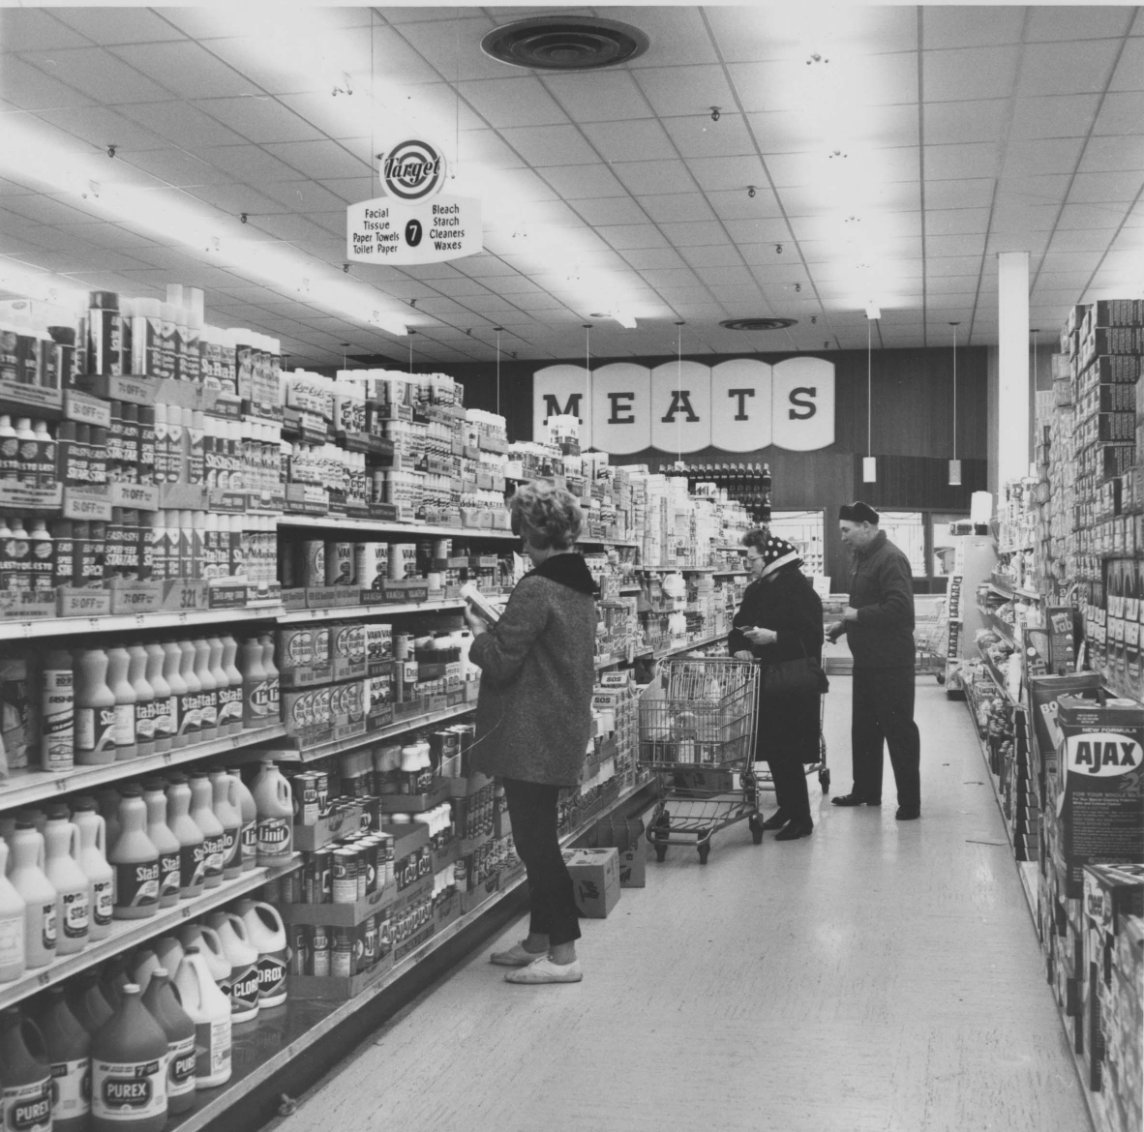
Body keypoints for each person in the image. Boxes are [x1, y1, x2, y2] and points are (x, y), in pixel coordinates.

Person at [464, 480, 599, 984]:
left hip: (531, 734)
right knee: (538, 836)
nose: (519, 543)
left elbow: (500, 662)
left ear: (537, 532)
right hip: (558, 725)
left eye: (522, 532)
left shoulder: (539, 586)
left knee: (536, 843)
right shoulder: (578, 585)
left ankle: (563, 955)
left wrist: (479, 633)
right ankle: (539, 940)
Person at [825, 501, 922, 820]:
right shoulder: (862, 558)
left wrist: (857, 615)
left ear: (866, 526)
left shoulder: (891, 558)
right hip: (866, 660)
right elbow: (868, 604)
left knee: (898, 729)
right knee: (864, 729)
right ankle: (866, 790)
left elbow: (900, 609)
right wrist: (842, 626)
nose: (842, 537)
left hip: (891, 662)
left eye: (846, 530)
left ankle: (909, 801)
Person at [728, 530, 824, 841]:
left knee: (788, 749)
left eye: (752, 558)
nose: (748, 564)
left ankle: (802, 819)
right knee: (774, 747)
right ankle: (786, 808)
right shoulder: (758, 589)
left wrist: (775, 637)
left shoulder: (798, 589)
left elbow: (812, 637)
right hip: (767, 678)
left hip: (791, 681)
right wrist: (738, 645)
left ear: (770, 558)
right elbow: (739, 623)